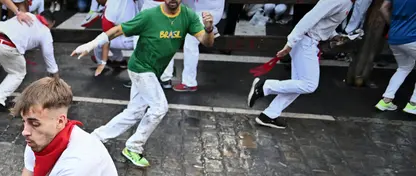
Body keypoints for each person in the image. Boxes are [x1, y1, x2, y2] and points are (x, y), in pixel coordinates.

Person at [71, 0, 214, 168]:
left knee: (134, 111)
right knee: (160, 107)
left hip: (154, 71)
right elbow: (118, 30)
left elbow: (207, 42)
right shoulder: (149, 15)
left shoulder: (187, 15)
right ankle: (133, 147)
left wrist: (209, 29)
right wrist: (91, 45)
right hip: (140, 68)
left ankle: (96, 138)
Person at [246, 0, 352, 129]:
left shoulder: (347, 2)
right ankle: (265, 87)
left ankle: (268, 115)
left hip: (308, 42)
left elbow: (325, 22)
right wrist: (291, 43)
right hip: (306, 42)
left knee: (298, 84)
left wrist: (334, 35)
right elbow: (310, 18)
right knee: (309, 85)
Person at [0, 10, 57, 112]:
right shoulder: (45, 31)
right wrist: (55, 75)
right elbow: (48, 55)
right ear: (52, 23)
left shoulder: (28, 15)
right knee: (18, 73)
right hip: (6, 45)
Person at [161, 0, 224, 91]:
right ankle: (165, 78)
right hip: (193, 10)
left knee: (190, 41)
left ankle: (189, 83)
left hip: (208, 12)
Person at [374, 0, 415, 115]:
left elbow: (383, 8)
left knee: (403, 68)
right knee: (404, 67)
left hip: (395, 37)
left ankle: (386, 100)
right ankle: (413, 104)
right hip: (413, 38)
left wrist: (393, 24)